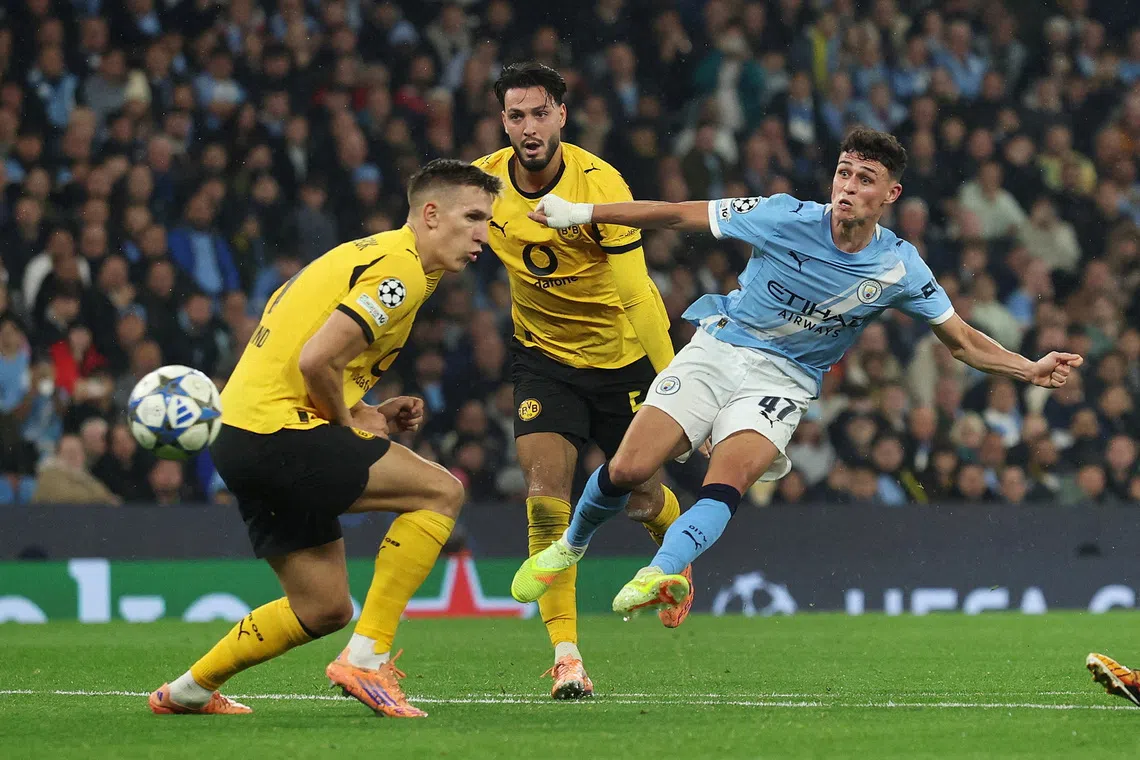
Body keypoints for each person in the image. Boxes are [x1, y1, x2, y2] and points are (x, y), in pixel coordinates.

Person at [515, 127, 1084, 617]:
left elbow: (960, 340)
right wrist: (581, 213)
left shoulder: (899, 266)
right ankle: (570, 547)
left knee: (726, 483)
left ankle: (658, 572)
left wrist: (1028, 368)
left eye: (864, 179)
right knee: (629, 468)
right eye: (843, 173)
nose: (847, 187)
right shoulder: (782, 216)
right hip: (719, 349)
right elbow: (677, 213)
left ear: (890, 194)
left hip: (783, 381)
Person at [147, 159, 500, 718]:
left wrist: (362, 411)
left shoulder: (365, 255)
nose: (484, 234)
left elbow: (300, 357)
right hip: (278, 432)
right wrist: (346, 424)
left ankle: (187, 691)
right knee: (441, 492)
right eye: (474, 217)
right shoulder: (401, 269)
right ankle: (366, 659)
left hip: (241, 435)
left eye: (489, 221)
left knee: (323, 606)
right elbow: (316, 360)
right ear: (431, 215)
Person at [476, 62, 683, 700]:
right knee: (546, 498)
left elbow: (638, 295)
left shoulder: (601, 186)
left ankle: (674, 558)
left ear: (562, 116)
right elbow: (425, 247)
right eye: (517, 115)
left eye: (540, 113)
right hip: (544, 361)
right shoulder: (483, 185)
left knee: (645, 498)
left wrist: (676, 383)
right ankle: (567, 657)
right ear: (503, 121)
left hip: (621, 363)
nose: (529, 127)